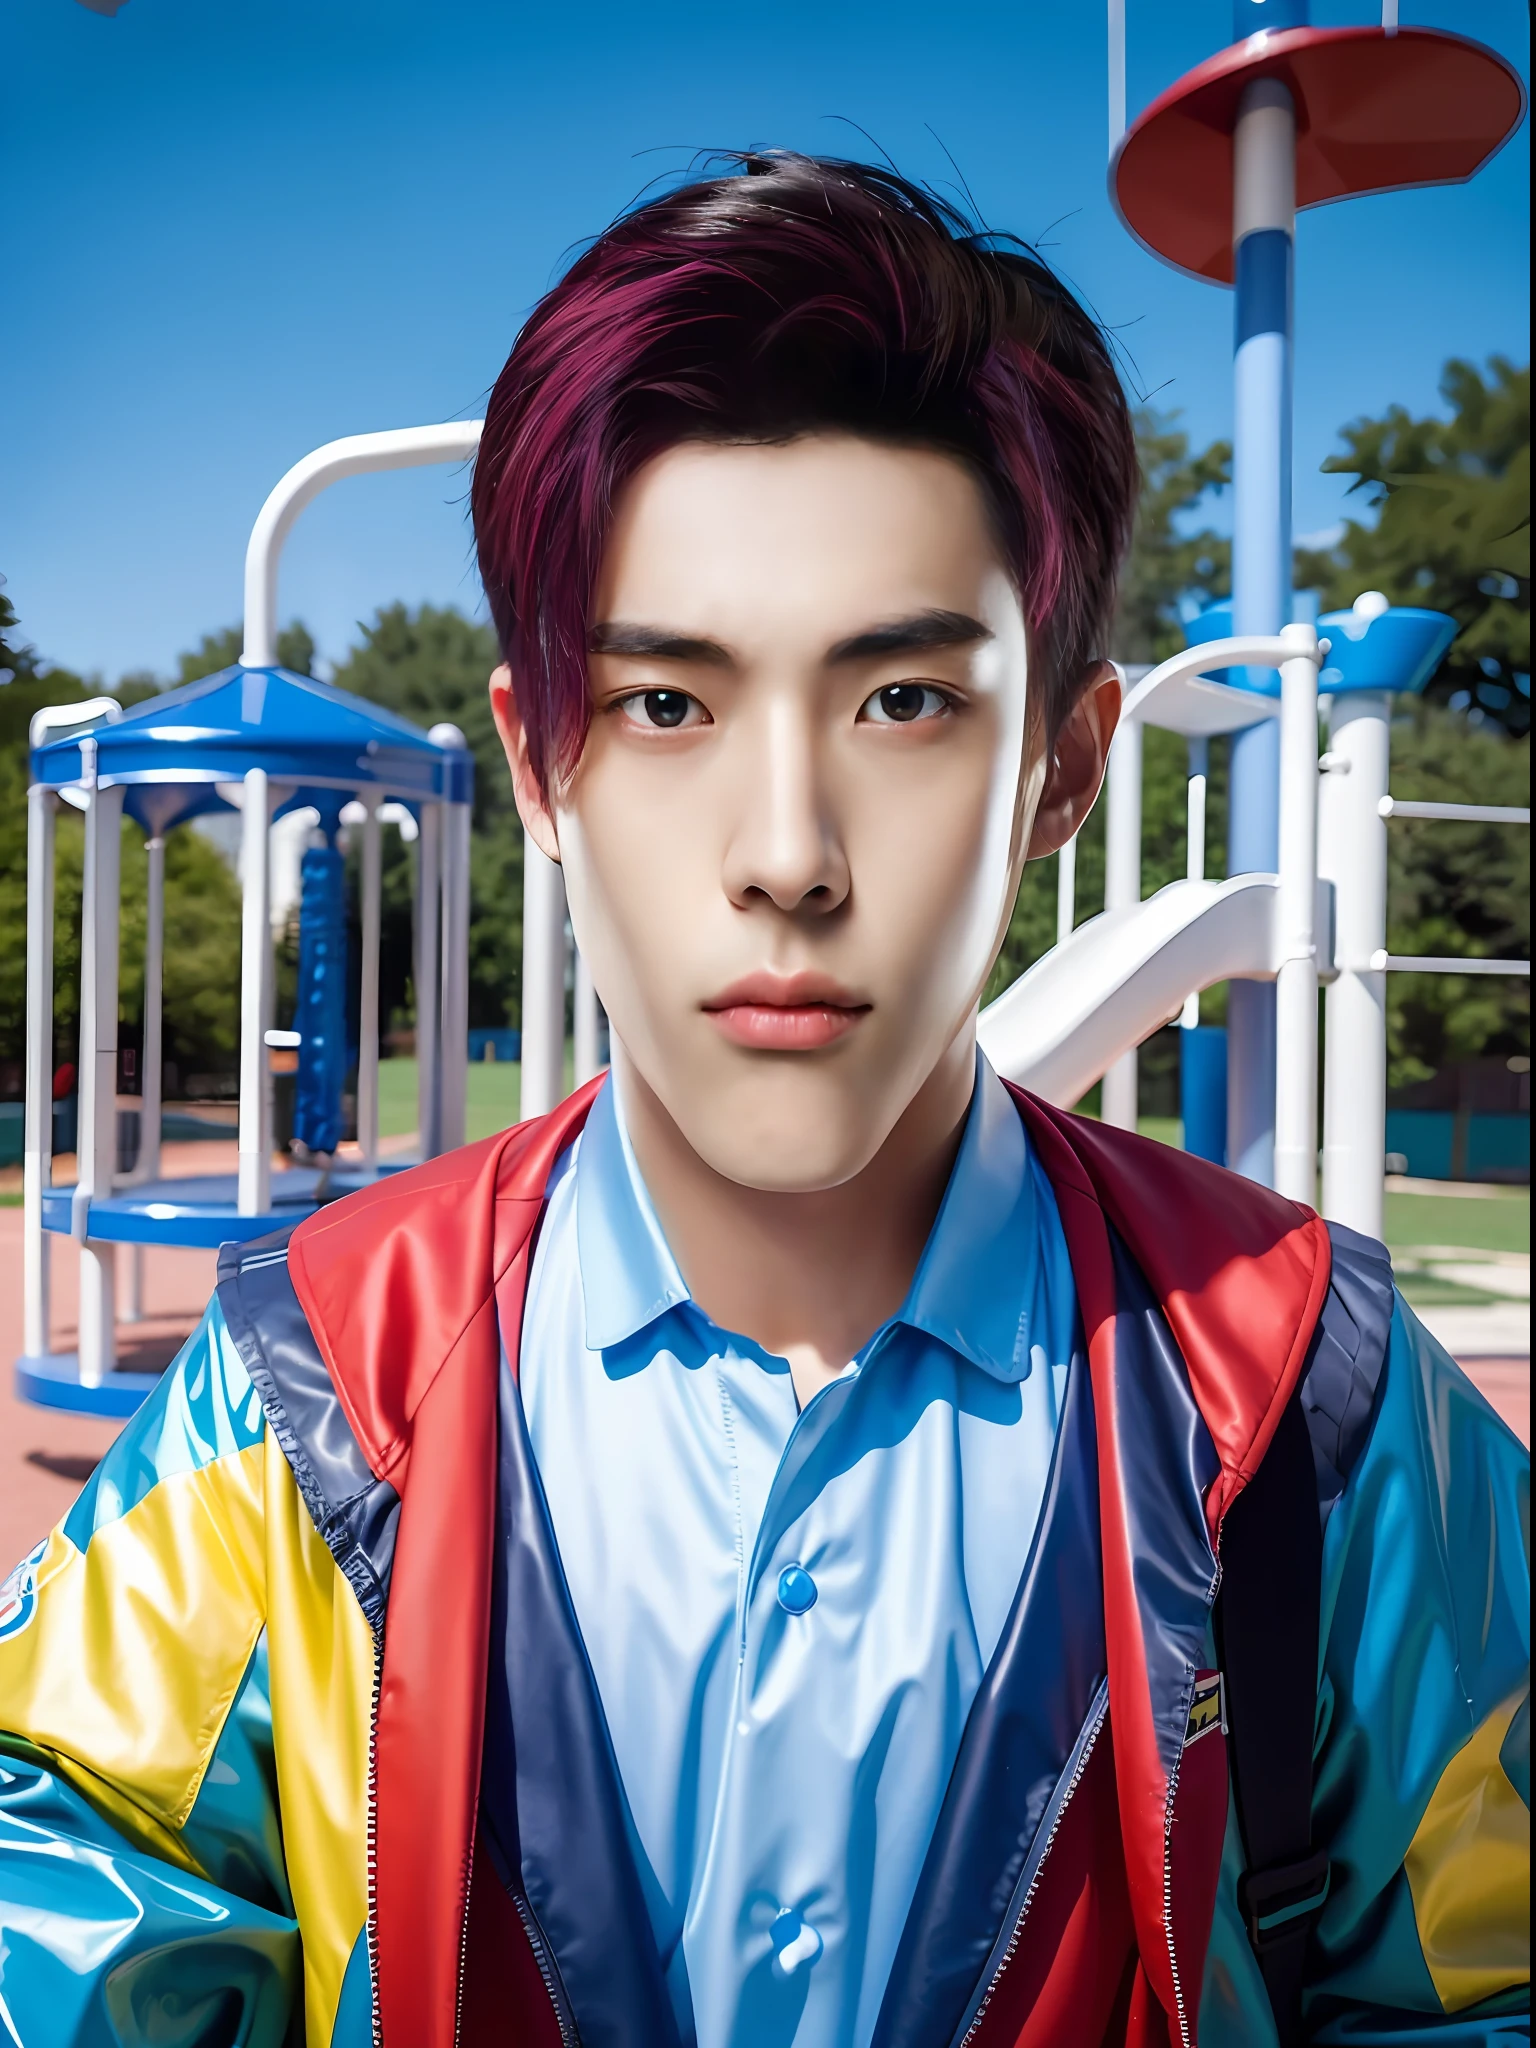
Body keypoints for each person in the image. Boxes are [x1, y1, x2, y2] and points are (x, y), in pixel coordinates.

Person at [0, 155, 1526, 2048]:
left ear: (1063, 763)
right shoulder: (302, 1392)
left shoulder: (1319, 1402)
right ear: (541, 765)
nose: (788, 856)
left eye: (903, 704)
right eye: (665, 705)